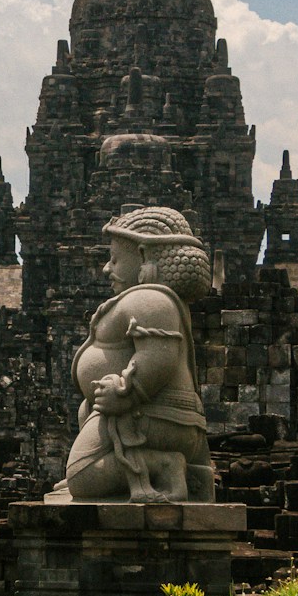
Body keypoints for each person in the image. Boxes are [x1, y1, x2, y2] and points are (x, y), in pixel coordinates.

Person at [58, 205, 215, 502]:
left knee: (80, 476)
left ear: (144, 255)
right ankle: (127, 472)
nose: (107, 268)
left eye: (115, 259)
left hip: (156, 416)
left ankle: (164, 467)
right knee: (83, 460)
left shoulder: (151, 300)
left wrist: (126, 393)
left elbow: (159, 357)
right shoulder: (145, 299)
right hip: (146, 415)